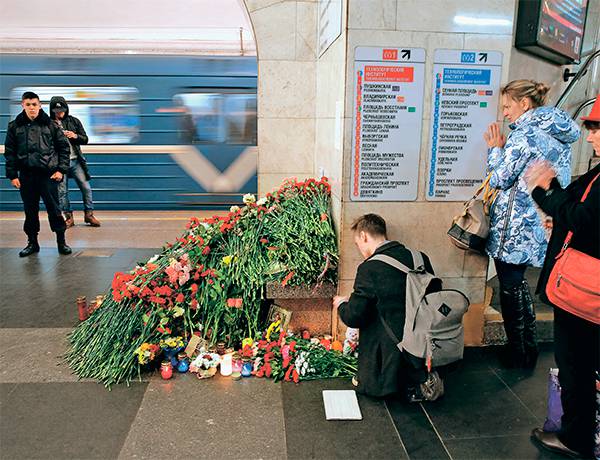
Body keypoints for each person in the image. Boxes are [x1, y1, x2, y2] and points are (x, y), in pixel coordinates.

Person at [483, 79, 580, 368]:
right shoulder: (559, 134)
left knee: (511, 284)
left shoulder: (524, 135)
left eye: (508, 107)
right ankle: (526, 348)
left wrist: (495, 149)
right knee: (517, 283)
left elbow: (499, 178)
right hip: (540, 221)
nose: (505, 114)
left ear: (525, 104)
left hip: (515, 226)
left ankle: (520, 352)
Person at [527, 94, 600, 459]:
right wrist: (559, 207)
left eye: (597, 128)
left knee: (576, 364)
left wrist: (548, 190)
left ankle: (576, 438)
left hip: (585, 292)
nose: (590, 136)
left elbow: (585, 218)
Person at [332, 214, 443, 400]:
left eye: (357, 243)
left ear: (364, 236)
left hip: (388, 360)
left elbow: (355, 316)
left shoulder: (370, 268)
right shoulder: (419, 258)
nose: (359, 248)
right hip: (423, 345)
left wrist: (342, 304)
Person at [4, 91, 72, 256]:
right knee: (30, 211)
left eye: (34, 104)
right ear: (23, 105)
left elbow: (64, 148)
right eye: (28, 105)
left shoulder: (50, 125)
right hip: (26, 176)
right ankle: (32, 243)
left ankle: (61, 242)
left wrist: (61, 170)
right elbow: (10, 152)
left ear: (39, 105)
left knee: (54, 210)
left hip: (48, 176)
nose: (32, 108)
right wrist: (12, 175)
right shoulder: (14, 126)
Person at [50, 96, 101, 227]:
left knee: (86, 188)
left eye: (62, 110)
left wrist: (75, 136)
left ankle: (89, 215)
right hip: (60, 164)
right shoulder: (49, 124)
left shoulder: (74, 121)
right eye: (56, 111)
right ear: (52, 110)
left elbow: (85, 139)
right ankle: (68, 217)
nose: (60, 113)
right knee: (62, 192)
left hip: (76, 161)